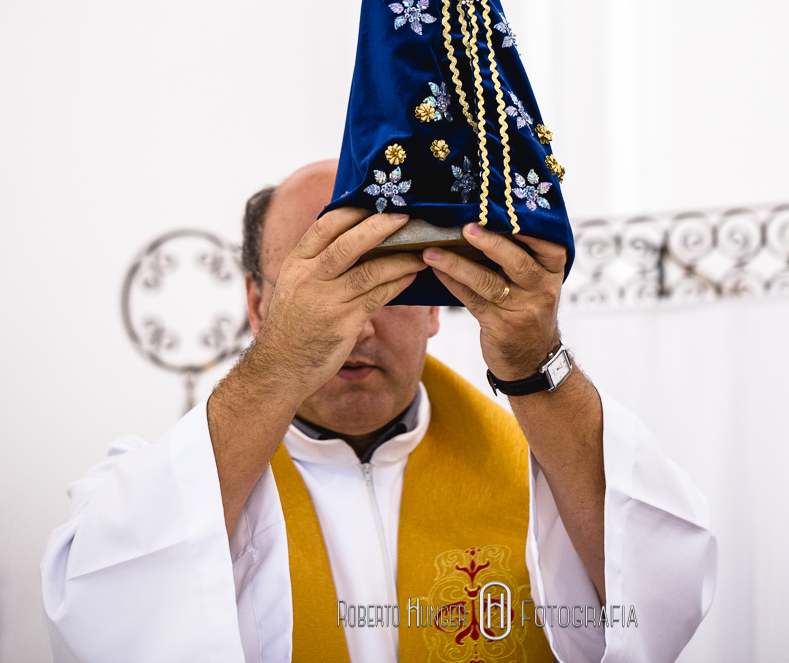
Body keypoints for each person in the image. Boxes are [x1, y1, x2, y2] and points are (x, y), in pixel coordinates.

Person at [41, 159, 717, 663]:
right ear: (256, 305)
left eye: (391, 282)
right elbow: (97, 611)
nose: (358, 326)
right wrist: (280, 364)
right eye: (325, 286)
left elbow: (664, 594)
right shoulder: (176, 491)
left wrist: (536, 360)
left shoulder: (546, 477)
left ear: (434, 302)